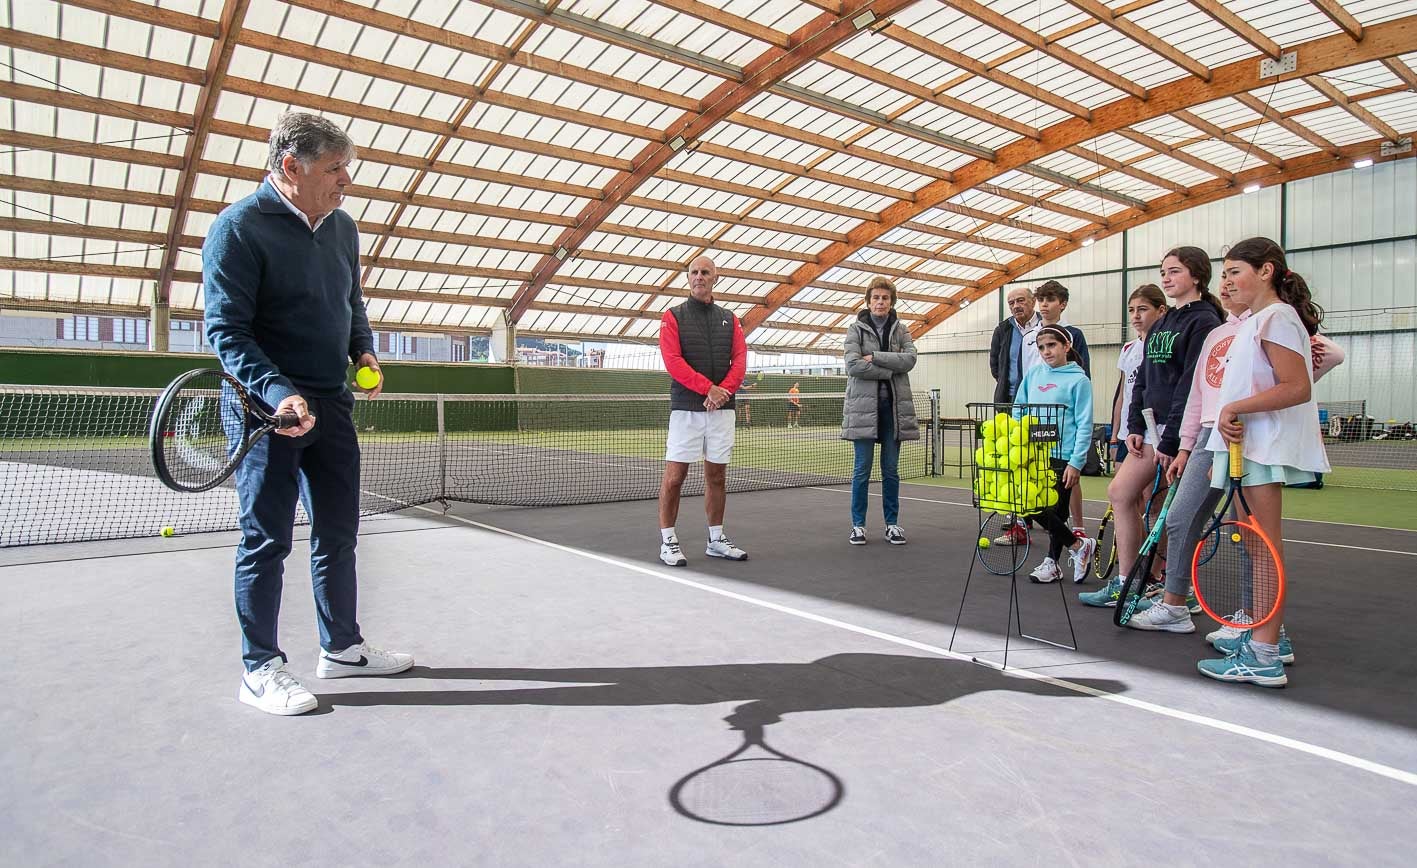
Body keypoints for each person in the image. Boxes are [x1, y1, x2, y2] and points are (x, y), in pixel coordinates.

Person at [203, 111, 412, 716]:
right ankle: (259, 667)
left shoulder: (342, 228)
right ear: (290, 167)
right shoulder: (237, 228)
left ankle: (342, 647)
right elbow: (228, 330)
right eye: (334, 169)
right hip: (266, 410)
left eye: (346, 167)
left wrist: (363, 349)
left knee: (339, 531)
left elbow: (352, 303)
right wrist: (278, 393)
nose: (345, 180)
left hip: (333, 404)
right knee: (265, 540)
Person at [1197, 237, 1331, 687]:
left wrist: (1237, 409)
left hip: (1261, 451)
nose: (1227, 280)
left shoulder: (1277, 318)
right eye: (1226, 272)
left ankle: (1265, 654)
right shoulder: (1257, 322)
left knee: (1265, 550)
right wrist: (1234, 412)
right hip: (1243, 448)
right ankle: (1267, 636)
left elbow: (1297, 386)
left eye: (1235, 270)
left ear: (1267, 271)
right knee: (1255, 549)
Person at [1091, 248, 1222, 609]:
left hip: (1178, 432)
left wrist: (1174, 438)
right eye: (1163, 271)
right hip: (1150, 431)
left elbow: (1190, 385)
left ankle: (1173, 588)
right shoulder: (1163, 324)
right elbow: (1143, 380)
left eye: (1174, 271)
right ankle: (1128, 581)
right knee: (1120, 493)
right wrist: (1133, 425)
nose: (1166, 277)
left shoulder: (1204, 322)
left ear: (1196, 276)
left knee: (1174, 511)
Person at [657, 255, 749, 567]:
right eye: (694, 272)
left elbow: (739, 360)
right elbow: (673, 362)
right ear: (687, 277)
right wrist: (707, 389)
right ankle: (668, 541)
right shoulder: (672, 317)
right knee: (674, 477)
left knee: (717, 476)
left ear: (715, 278)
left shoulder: (730, 319)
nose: (699, 277)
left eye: (705, 272)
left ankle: (716, 539)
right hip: (686, 410)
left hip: (722, 411)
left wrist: (721, 394)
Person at [1013, 326, 1096, 583]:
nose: (1046, 351)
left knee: (1057, 511)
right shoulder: (1034, 374)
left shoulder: (1079, 380)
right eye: (1041, 347)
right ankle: (1078, 545)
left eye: (1051, 345)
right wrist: (1020, 443)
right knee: (1031, 504)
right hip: (1035, 453)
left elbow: (1085, 423)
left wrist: (1076, 462)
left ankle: (1052, 562)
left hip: (1064, 455)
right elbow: (1019, 408)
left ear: (1066, 347)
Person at [843, 277, 919, 546]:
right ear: (868, 300)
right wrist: (890, 368)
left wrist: (874, 357)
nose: (880, 302)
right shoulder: (855, 329)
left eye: (885, 298)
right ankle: (858, 526)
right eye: (876, 297)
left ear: (891, 302)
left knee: (890, 470)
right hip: (864, 411)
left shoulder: (902, 330)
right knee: (862, 469)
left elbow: (910, 359)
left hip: (893, 413)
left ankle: (892, 525)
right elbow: (852, 365)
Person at [1111, 285, 1167, 471]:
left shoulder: (1164, 346)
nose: (1135, 315)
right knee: (1121, 492)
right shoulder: (1128, 348)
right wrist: (1114, 435)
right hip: (1126, 431)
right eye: (1131, 310)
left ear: (1161, 311)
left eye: (1142, 309)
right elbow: (1122, 394)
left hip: (1152, 430)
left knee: (1148, 494)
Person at [989, 286, 1041, 405]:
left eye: (1020, 300)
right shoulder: (1002, 330)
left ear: (1033, 302)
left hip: (1040, 395)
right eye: (1011, 303)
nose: (1016, 306)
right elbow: (994, 363)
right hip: (1009, 397)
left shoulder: (1045, 325)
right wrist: (1004, 381)